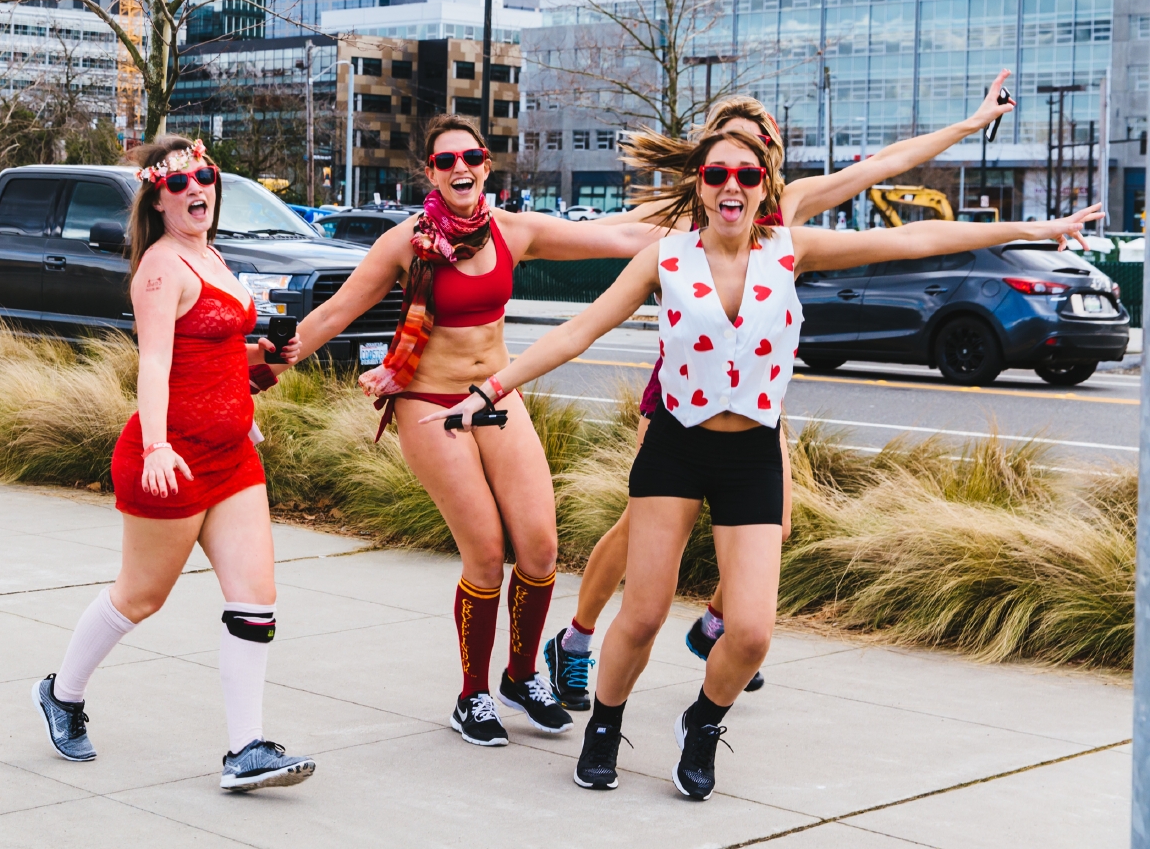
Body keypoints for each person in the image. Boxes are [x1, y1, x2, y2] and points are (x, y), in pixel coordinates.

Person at [421, 128, 1101, 798]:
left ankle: (703, 721)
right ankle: (606, 725)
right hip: (677, 446)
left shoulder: (787, 250)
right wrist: (489, 390)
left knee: (749, 636)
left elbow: (913, 238)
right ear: (699, 183)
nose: (731, 188)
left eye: (746, 177)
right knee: (646, 613)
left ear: (765, 186)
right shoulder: (667, 255)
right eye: (717, 175)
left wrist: (1041, 230)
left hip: (750, 453)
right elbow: (578, 330)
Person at [541, 72, 1020, 711]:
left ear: (768, 161)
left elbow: (885, 164)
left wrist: (970, 123)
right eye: (727, 156)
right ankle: (575, 641)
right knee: (638, 530)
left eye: (758, 153)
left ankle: (718, 628)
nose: (739, 172)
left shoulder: (787, 208)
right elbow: (604, 242)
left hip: (759, 398)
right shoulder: (688, 216)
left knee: (778, 522)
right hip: (682, 395)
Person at [289, 114, 669, 747]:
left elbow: (622, 235)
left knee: (542, 547)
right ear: (431, 173)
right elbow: (331, 314)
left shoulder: (513, 232)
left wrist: (705, 220)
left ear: (487, 164)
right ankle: (473, 695)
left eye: (471, 156)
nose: (460, 168)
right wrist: (262, 363)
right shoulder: (405, 242)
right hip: (428, 402)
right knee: (487, 554)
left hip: (495, 395)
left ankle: (523, 676)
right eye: (445, 161)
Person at [31, 136, 315, 792]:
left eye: (206, 176)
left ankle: (246, 749)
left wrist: (265, 360)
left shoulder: (210, 254)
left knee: (256, 601)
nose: (198, 189)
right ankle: (62, 694)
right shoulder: (161, 269)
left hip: (233, 458)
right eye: (181, 181)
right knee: (141, 597)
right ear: (158, 197)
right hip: (171, 459)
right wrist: (158, 446)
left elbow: (215, 358)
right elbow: (155, 364)